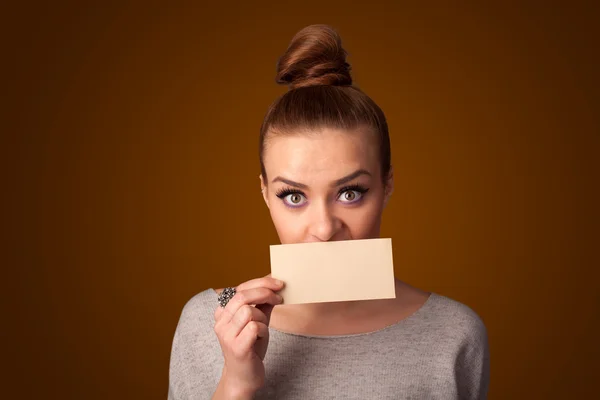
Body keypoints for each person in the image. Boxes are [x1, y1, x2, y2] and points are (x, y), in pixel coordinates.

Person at [168, 24, 490, 400]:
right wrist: (238, 383)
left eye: (350, 192)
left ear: (386, 186)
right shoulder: (211, 318)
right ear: (265, 194)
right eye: (293, 196)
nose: (323, 227)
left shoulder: (453, 333)